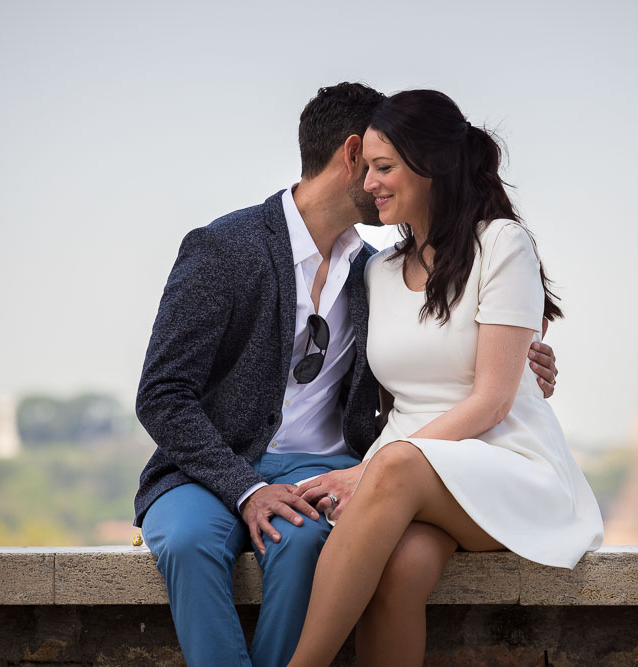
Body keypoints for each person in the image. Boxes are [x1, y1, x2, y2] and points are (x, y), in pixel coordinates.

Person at [132, 83, 563, 667]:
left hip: (329, 468)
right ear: (354, 154)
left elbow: (444, 356)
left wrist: (525, 365)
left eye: (394, 165)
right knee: (186, 543)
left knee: (304, 541)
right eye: (379, 164)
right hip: (214, 468)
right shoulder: (225, 249)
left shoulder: (371, 269)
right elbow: (161, 395)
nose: (382, 182)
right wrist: (247, 488)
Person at [288, 90, 604, 667]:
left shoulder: (502, 245)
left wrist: (368, 470)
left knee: (398, 464)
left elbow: (491, 401)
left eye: (384, 168)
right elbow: (370, 383)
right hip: (410, 475)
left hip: (506, 462)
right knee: (399, 574)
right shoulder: (376, 270)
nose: (370, 184)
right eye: (367, 169)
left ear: (431, 165)